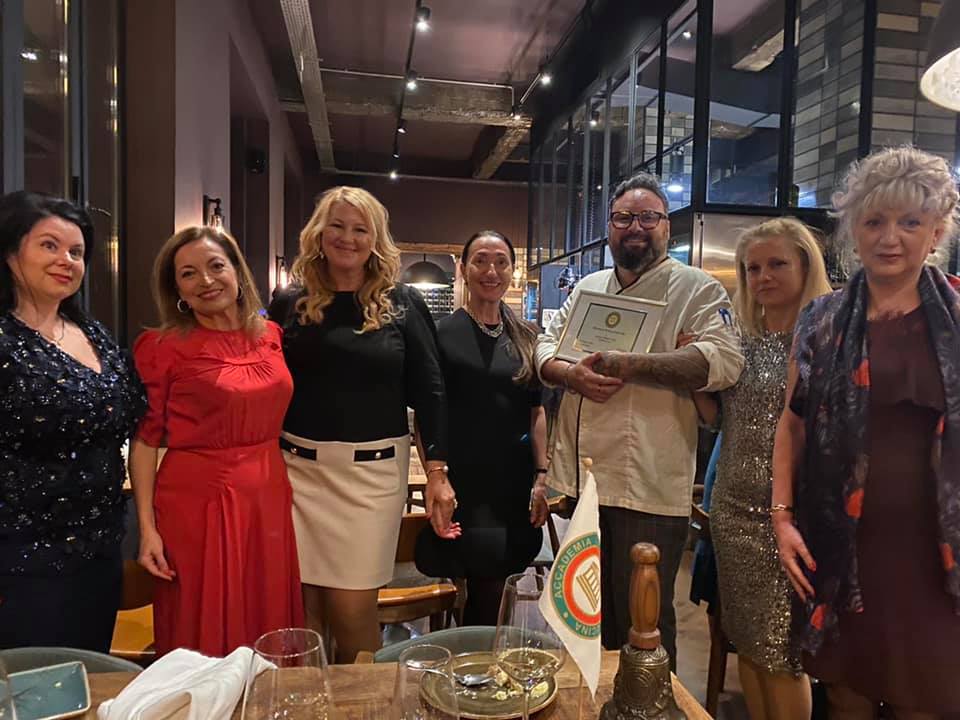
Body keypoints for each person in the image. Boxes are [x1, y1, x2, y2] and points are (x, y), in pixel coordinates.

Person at [772, 146, 960, 717]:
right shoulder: (820, 319)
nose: (890, 238)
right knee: (845, 693)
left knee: (928, 699)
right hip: (838, 547)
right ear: (853, 230)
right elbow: (792, 423)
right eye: (874, 221)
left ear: (936, 232)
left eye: (910, 222)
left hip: (936, 554)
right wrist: (781, 518)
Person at [536, 172, 744, 668]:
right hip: (586, 482)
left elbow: (722, 361)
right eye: (624, 217)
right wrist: (569, 374)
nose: (635, 227)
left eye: (648, 217)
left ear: (667, 227)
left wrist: (631, 364)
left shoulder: (697, 289)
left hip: (649, 482)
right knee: (585, 612)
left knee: (644, 620)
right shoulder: (588, 287)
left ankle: (649, 700)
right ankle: (595, 696)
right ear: (609, 226)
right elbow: (545, 345)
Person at [269, 186, 452, 663]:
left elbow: (430, 391)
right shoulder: (289, 301)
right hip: (295, 474)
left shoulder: (402, 302)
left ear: (375, 239)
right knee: (301, 623)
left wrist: (437, 472)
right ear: (318, 232)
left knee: (352, 619)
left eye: (359, 229)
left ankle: (363, 700)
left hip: (371, 478)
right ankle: (308, 703)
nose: (346, 238)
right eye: (337, 225)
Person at [130, 225, 303, 657]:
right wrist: (147, 529)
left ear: (236, 272)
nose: (206, 281)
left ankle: (265, 692)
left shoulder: (271, 335)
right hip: (197, 501)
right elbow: (145, 441)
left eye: (215, 266)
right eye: (188, 274)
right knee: (200, 619)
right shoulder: (161, 347)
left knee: (266, 610)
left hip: (267, 492)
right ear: (177, 291)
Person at [690, 218, 833, 720]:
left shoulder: (824, 340)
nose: (763, 277)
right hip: (730, 507)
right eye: (752, 268)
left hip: (789, 515)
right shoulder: (739, 342)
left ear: (805, 266)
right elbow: (718, 420)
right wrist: (694, 372)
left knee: (782, 654)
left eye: (777, 264)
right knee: (747, 642)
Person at [0, 191, 145, 652]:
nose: (66, 260)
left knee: (89, 673)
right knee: (35, 681)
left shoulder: (91, 332)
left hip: (100, 550)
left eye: (76, 252)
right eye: (49, 245)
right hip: (23, 560)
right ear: (10, 251)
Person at [415, 230, 550, 626]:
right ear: (463, 269)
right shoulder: (441, 335)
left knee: (501, 579)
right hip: (463, 481)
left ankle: (489, 654)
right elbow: (427, 414)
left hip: (513, 482)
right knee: (481, 584)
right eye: (480, 261)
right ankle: (476, 655)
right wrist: (436, 476)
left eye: (501, 262)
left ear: (512, 271)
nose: (491, 271)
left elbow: (536, 412)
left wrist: (542, 477)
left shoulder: (526, 337)